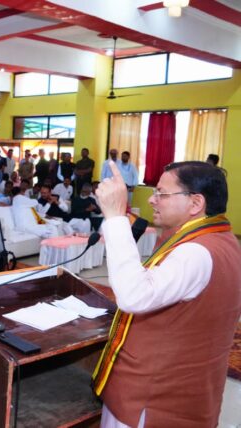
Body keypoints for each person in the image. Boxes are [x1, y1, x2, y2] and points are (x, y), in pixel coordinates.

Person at [92, 161, 241, 427]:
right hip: (191, 386)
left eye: (161, 193)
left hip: (154, 397)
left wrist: (115, 217)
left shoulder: (195, 252)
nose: (152, 200)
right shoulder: (223, 239)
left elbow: (133, 295)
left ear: (195, 203)